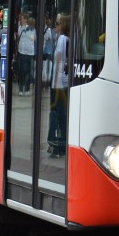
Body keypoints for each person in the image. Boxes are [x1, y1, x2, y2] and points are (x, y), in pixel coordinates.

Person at [47, 13, 71, 157]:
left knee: (57, 114)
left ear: (64, 25)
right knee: (62, 114)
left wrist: (55, 82)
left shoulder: (62, 39)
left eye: (57, 24)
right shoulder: (68, 38)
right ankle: (61, 141)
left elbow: (59, 62)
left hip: (58, 83)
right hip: (64, 82)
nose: (55, 26)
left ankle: (56, 142)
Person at [17, 13, 36, 94]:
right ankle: (21, 89)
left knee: (28, 71)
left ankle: (27, 89)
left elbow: (34, 39)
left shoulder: (32, 29)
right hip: (22, 51)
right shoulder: (20, 28)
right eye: (21, 19)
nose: (21, 20)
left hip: (30, 53)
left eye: (22, 19)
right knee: (21, 71)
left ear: (26, 20)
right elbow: (18, 37)